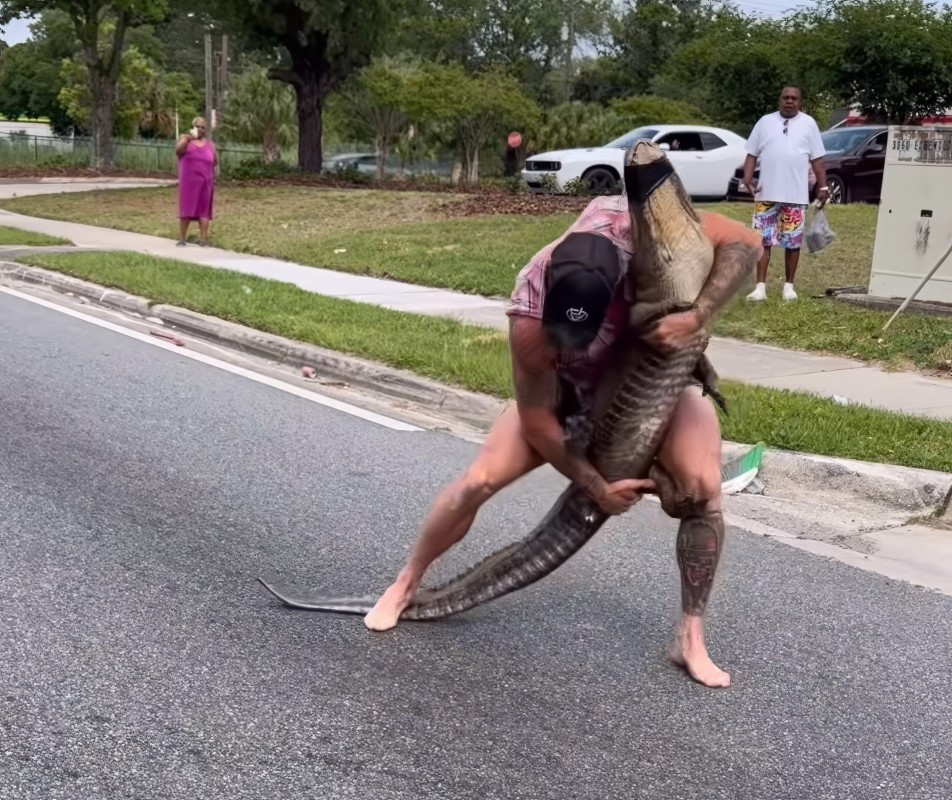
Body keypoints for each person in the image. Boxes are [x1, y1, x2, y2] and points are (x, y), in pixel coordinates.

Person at [364, 191, 762, 689]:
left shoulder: (645, 236)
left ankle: (690, 636)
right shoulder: (529, 313)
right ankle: (405, 584)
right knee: (478, 480)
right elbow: (538, 423)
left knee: (703, 488)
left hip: (645, 387)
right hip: (564, 399)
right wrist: (596, 487)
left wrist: (698, 314)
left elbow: (748, 242)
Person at [743, 86, 828, 303]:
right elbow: (751, 153)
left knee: (792, 242)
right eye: (785, 98)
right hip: (766, 194)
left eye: (794, 98)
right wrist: (747, 178)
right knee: (763, 241)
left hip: (795, 196)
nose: (789, 101)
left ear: (800, 102)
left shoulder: (809, 124)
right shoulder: (764, 122)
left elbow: (818, 160)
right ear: (779, 100)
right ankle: (760, 288)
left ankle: (788, 287)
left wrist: (824, 186)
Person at [174, 117, 218, 247]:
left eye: (203, 127)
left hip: (205, 183)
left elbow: (215, 161)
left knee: (204, 211)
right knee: (186, 208)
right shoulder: (185, 140)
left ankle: (203, 239)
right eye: (197, 126)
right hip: (188, 184)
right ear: (193, 127)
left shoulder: (210, 145)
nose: (200, 129)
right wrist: (189, 138)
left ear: (206, 130)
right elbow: (178, 151)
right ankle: (182, 238)